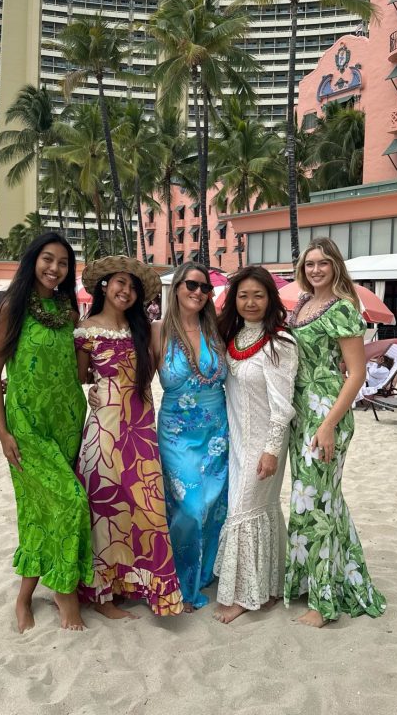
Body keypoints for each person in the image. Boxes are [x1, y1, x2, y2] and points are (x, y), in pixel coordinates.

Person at [0, 232, 93, 633]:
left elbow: (78, 369)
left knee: (39, 511)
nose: (54, 268)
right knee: (70, 501)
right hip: (27, 425)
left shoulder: (67, 311)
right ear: (33, 261)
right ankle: (66, 598)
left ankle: (24, 598)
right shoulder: (12, 307)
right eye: (48, 259)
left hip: (67, 422)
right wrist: (2, 431)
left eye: (63, 263)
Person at [285, 237, 386, 628]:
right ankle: (334, 580)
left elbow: (357, 374)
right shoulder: (301, 304)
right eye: (310, 264)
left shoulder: (343, 308)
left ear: (336, 267)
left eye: (323, 263)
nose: (315, 270)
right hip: (300, 413)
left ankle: (323, 603)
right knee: (321, 499)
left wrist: (328, 424)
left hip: (326, 413)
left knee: (317, 503)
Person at [75, 256, 183, 619]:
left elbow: (151, 373)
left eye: (133, 287)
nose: (126, 291)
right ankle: (103, 597)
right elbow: (79, 379)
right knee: (106, 509)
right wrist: (94, 390)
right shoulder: (85, 331)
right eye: (120, 282)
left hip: (141, 433)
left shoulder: (146, 330)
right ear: (104, 285)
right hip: (103, 432)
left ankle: (137, 584)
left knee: (145, 509)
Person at [213, 266, 298, 624]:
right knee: (253, 510)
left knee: (245, 511)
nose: (250, 302)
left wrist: (272, 450)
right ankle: (266, 586)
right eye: (243, 295)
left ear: (270, 299)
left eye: (258, 295)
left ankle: (246, 596)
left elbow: (283, 405)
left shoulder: (281, 343)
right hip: (235, 440)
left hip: (263, 444)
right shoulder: (231, 336)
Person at [155, 262, 228, 611]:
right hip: (176, 435)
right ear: (177, 287)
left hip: (217, 430)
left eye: (205, 288)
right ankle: (182, 582)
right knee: (189, 507)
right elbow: (131, 377)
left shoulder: (218, 330)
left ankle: (204, 574)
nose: (198, 292)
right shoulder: (157, 332)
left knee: (215, 506)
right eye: (192, 285)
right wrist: (97, 392)